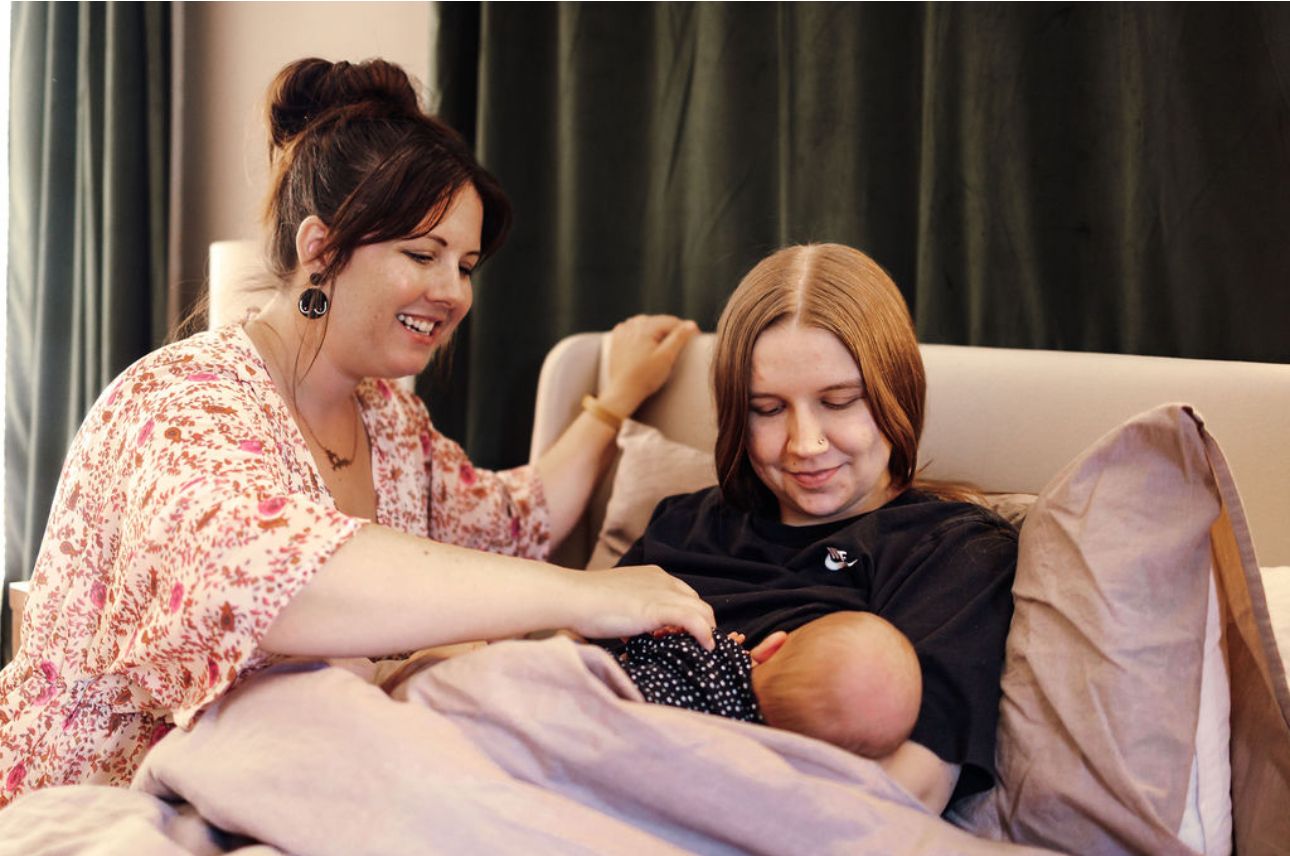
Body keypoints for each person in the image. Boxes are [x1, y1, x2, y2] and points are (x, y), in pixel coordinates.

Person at [0, 57, 714, 808]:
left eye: (466, 265)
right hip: (100, 802)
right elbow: (266, 578)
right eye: (422, 254)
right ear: (320, 247)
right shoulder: (181, 400)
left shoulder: (393, 422)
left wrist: (615, 397)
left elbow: (518, 519)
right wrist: (586, 597)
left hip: (272, 802)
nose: (453, 293)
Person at [617, 243, 1019, 813]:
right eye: (767, 409)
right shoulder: (683, 523)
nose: (805, 444)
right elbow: (565, 663)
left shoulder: (954, 552)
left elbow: (909, 792)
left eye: (839, 401)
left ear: (895, 391)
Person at [618, 611, 922, 760]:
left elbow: (635, 633)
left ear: (773, 646)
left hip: (614, 695)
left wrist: (667, 633)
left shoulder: (711, 649)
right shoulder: (752, 756)